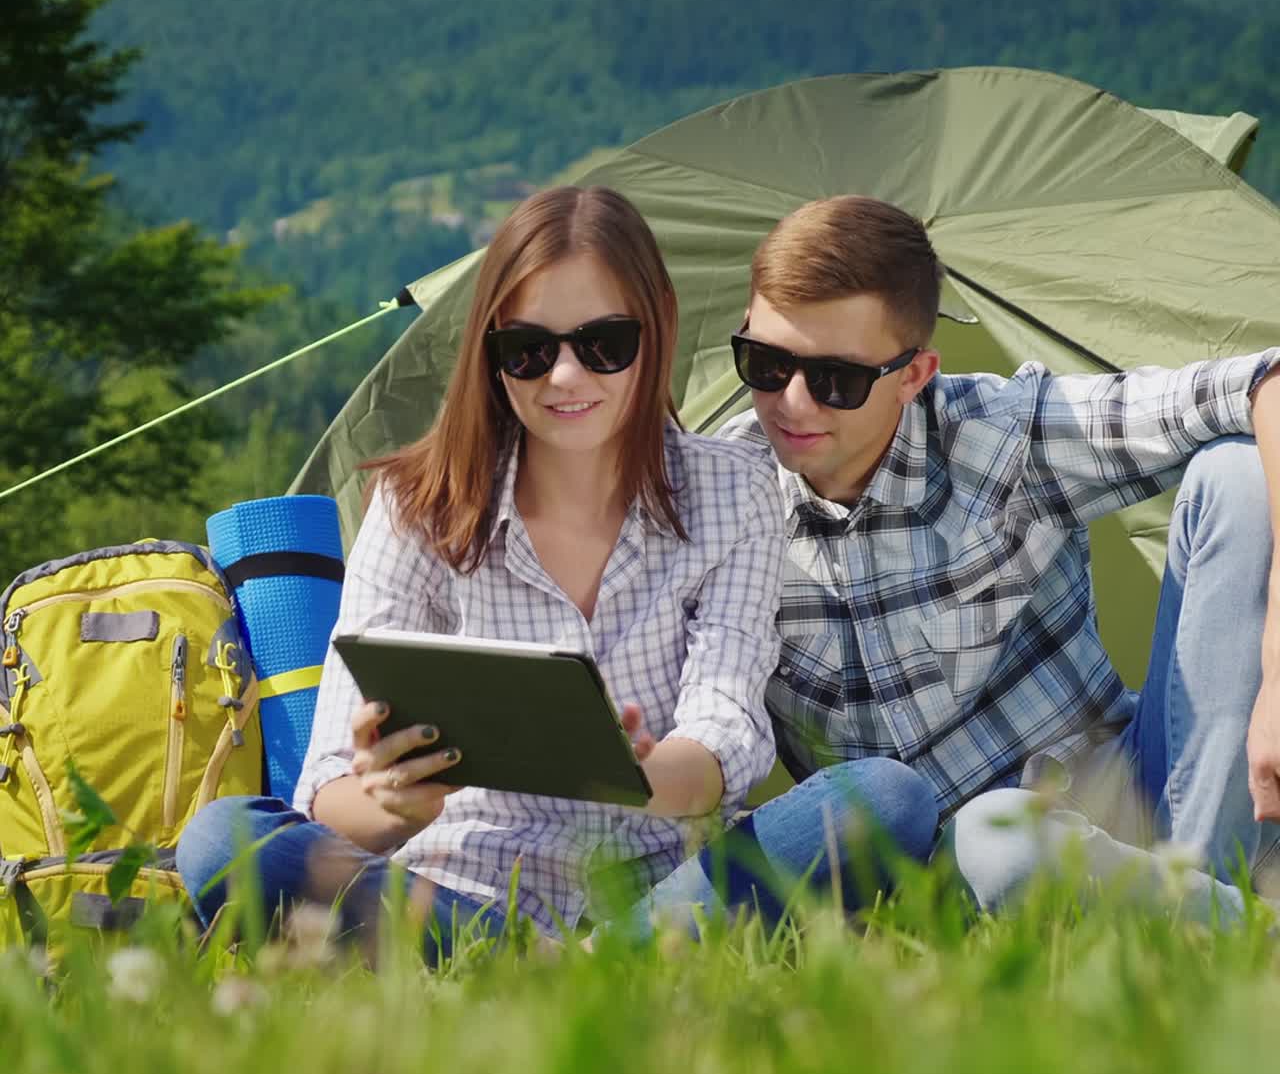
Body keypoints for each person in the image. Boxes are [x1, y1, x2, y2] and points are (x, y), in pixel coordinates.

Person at [176, 185, 937, 959]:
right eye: (530, 351)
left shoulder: (731, 489)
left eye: (605, 344)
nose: (565, 379)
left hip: (661, 889)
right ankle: (578, 965)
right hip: (450, 894)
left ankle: (557, 964)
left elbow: (727, 732)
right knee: (222, 841)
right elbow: (328, 793)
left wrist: (636, 772)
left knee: (885, 800)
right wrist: (393, 801)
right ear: (492, 354)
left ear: (657, 329)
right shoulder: (417, 505)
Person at [644, 193, 1280, 928]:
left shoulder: (1006, 435)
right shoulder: (725, 501)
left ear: (915, 376)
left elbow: (1265, 382)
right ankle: (1227, 930)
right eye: (765, 363)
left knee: (1237, 475)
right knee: (996, 839)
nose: (791, 403)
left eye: (835, 381)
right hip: (948, 872)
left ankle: (1207, 901)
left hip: (1133, 793)